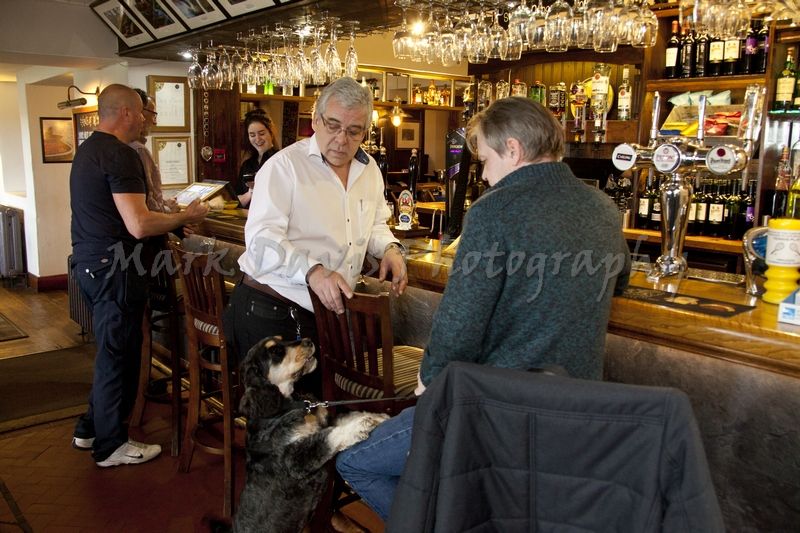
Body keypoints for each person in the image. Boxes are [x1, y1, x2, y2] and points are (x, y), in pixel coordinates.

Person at [336, 96, 632, 520]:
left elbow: (461, 320)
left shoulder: (495, 211)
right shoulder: (602, 206)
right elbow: (619, 281)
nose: (486, 175)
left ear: (513, 149)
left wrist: (429, 380)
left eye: (486, 161)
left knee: (357, 463)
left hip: (496, 411)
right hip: (577, 414)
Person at [223, 76, 407, 387]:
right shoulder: (284, 167)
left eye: (353, 131)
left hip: (324, 315)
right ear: (315, 120)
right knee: (276, 414)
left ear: (364, 132)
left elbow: (375, 222)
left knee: (317, 409)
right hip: (271, 309)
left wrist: (390, 248)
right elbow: (262, 240)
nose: (341, 139)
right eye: (333, 125)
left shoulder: (369, 170)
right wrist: (313, 271)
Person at [70, 84, 208, 467]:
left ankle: (89, 428)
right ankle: (110, 446)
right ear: (127, 112)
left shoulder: (88, 150)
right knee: (119, 357)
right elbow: (139, 223)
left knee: (110, 352)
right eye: (145, 114)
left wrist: (173, 222)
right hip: (116, 270)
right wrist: (186, 217)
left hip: (90, 264)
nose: (147, 122)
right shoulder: (120, 154)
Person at [236, 109, 280, 208]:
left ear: (271, 133)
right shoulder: (247, 165)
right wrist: (250, 193)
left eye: (262, 133)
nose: (257, 139)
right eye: (252, 135)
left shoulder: (280, 160)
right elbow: (236, 200)